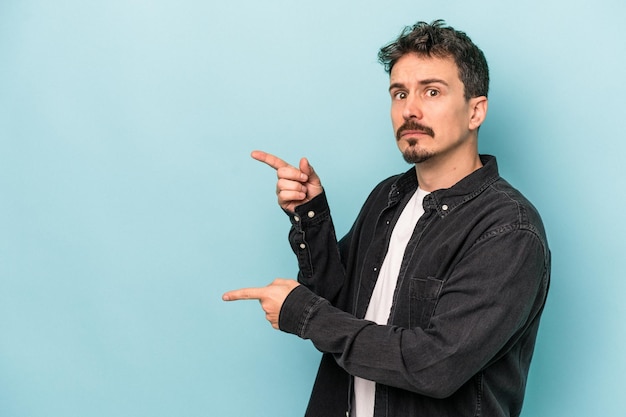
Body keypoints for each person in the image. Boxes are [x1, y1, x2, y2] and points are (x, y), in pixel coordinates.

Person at [223, 19, 550, 417]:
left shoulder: (508, 230)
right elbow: (338, 301)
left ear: (475, 111)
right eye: (399, 93)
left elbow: (433, 365)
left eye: (432, 91)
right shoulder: (389, 195)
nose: (410, 110)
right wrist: (311, 215)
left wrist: (303, 314)